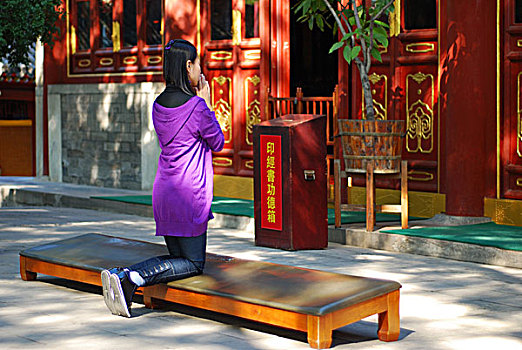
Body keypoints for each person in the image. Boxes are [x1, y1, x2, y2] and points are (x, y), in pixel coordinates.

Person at [101, 39, 224, 318]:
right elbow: (217, 141)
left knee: (178, 258)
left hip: (165, 191)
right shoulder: (197, 107)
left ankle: (128, 279)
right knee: (193, 263)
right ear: (188, 65)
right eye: (198, 64)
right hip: (190, 193)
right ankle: (128, 276)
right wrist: (205, 103)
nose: (201, 70)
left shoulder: (157, 105)